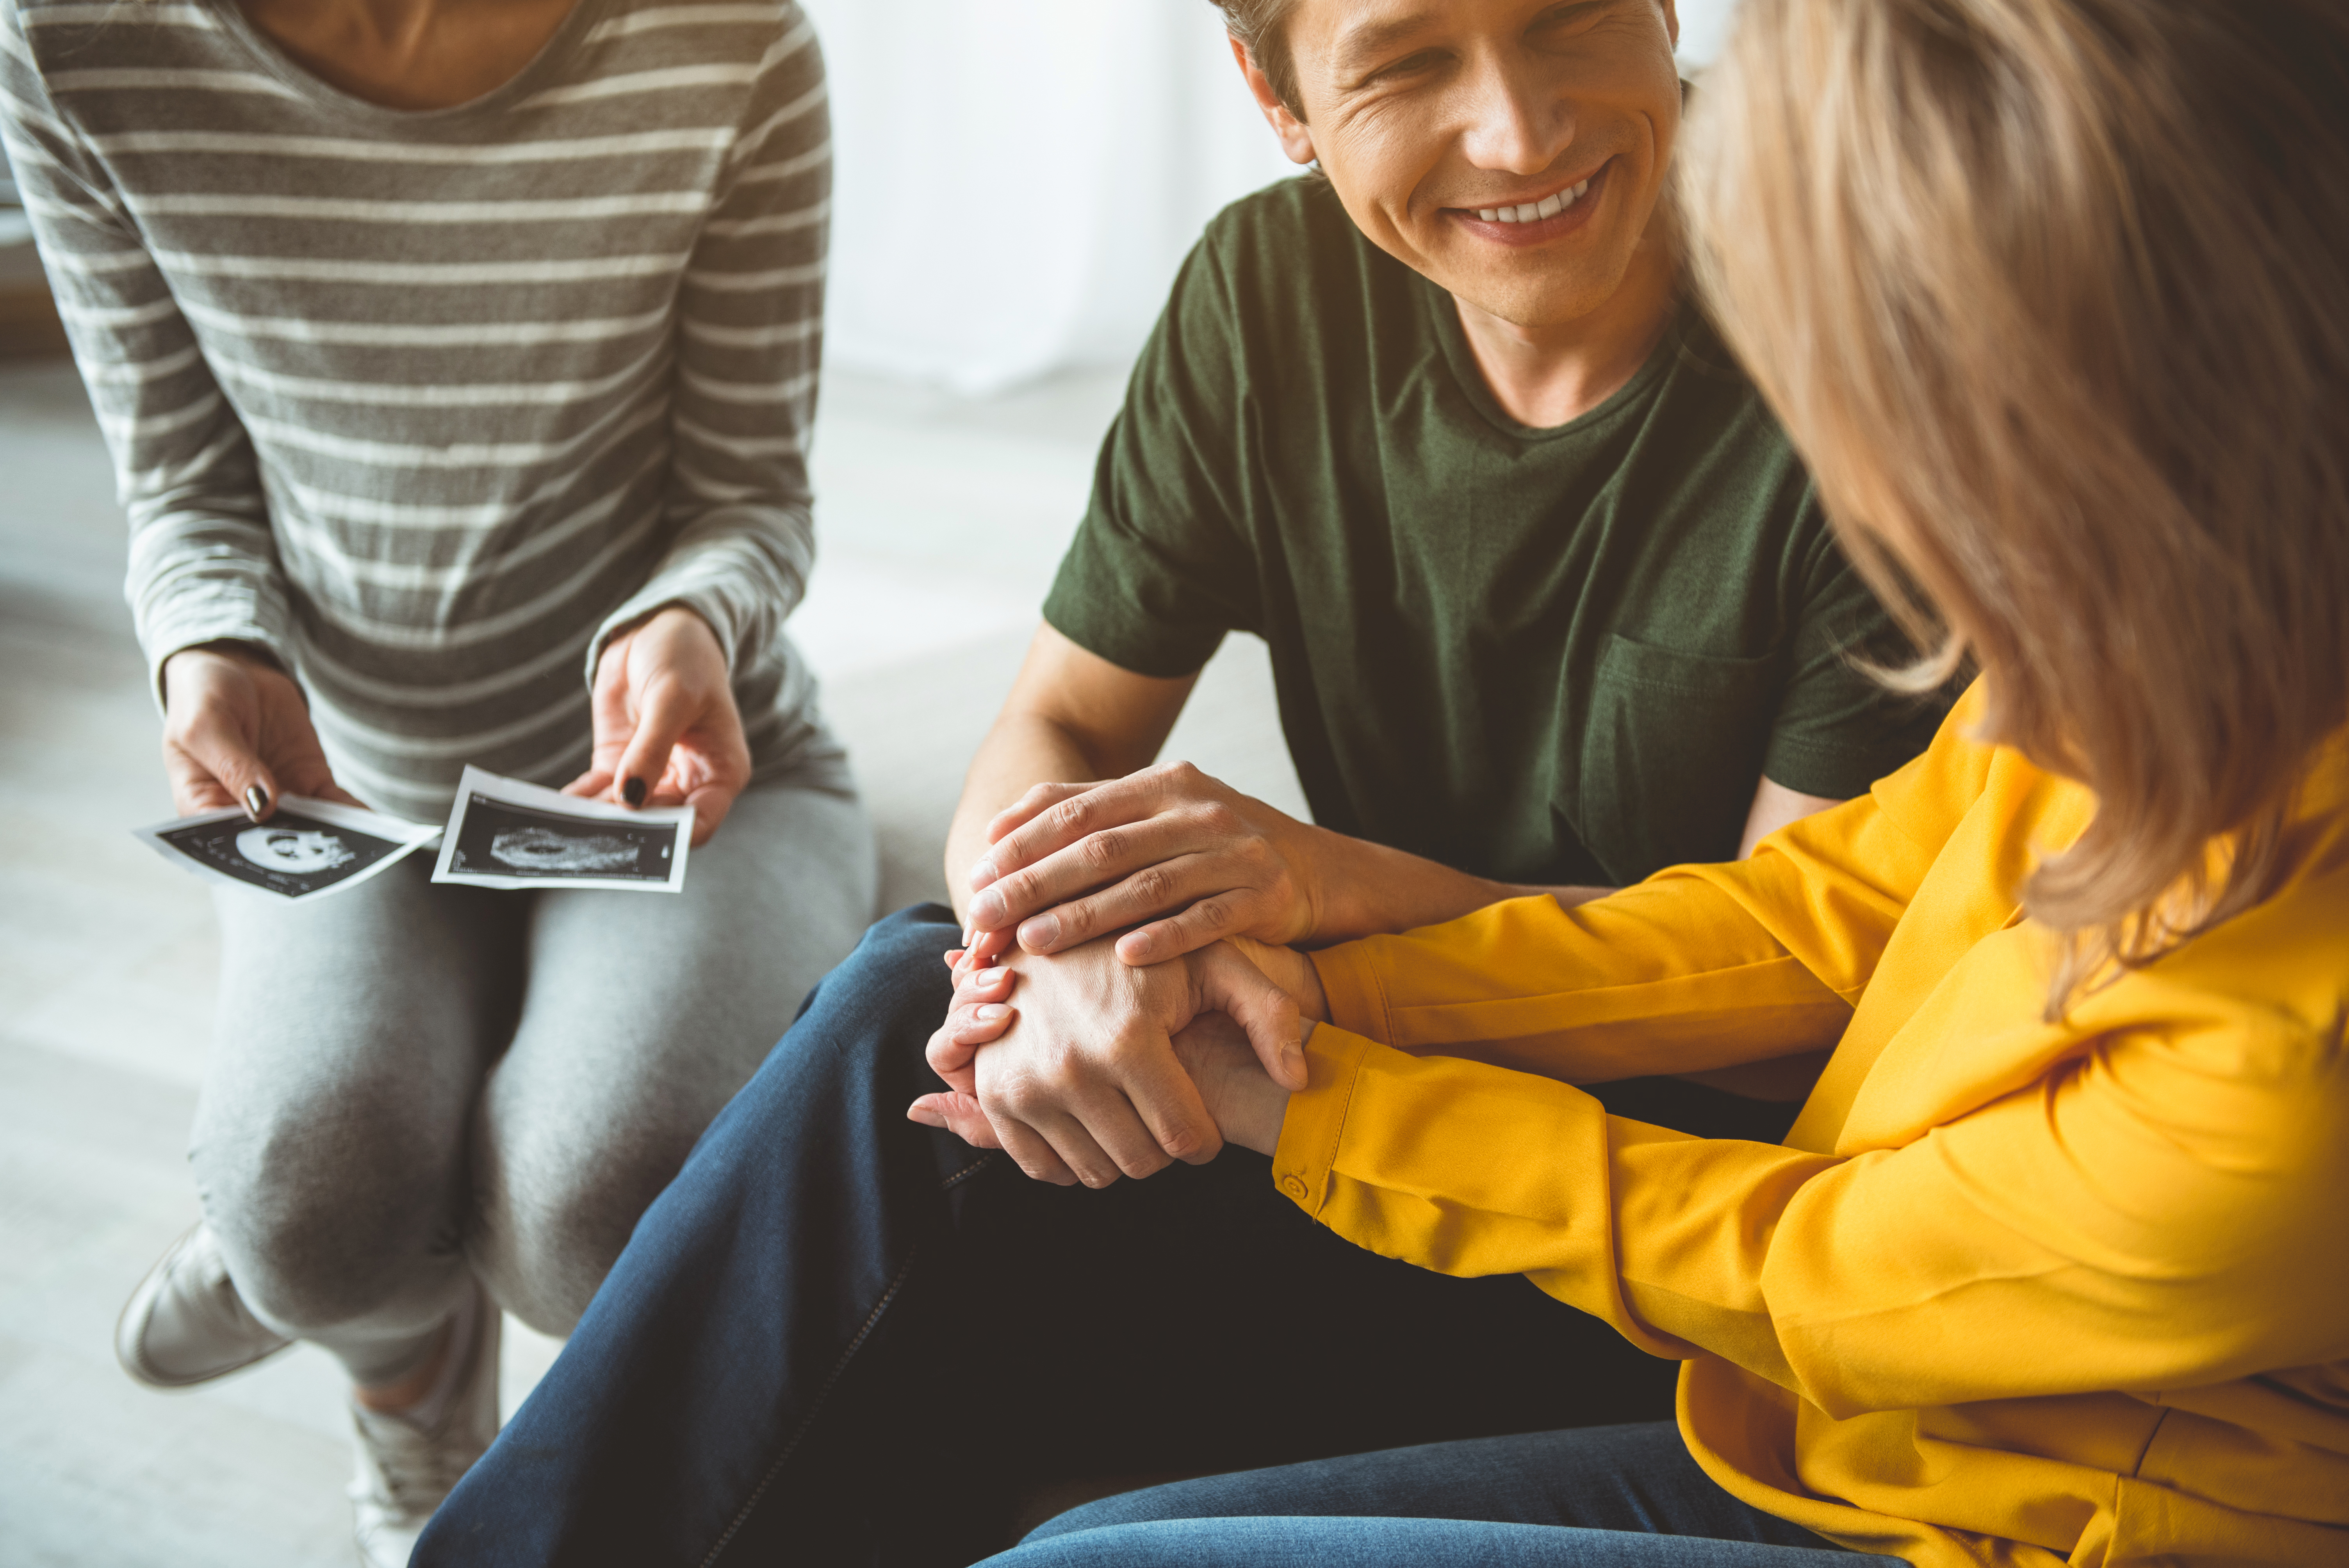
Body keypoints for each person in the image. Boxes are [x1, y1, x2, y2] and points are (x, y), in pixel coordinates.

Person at [417, 1, 1956, 1563]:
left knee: (906, 1163)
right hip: (1345, 1083)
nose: (1517, 129)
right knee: (940, 1065)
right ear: (1278, 97)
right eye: (1409, 64)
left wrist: (1316, 896)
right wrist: (1060, 939)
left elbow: (1796, 1017)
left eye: (1566, 19)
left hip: (1659, 1229)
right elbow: (1064, 726)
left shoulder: (1870, 327)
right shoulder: (1269, 287)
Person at [908, 0, 2349, 1561]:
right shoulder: (2133, 645)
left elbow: (1797, 1263)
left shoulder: (2289, 1069)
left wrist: (1296, 1075)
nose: (1520, 137)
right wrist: (1277, 977)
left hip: (1976, 1503)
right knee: (893, 1014)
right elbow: (1817, 912)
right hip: (1811, 1430)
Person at [0, 0, 874, 1559]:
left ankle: (369, 1250)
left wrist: (690, 617)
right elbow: (181, 480)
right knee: (306, 1197)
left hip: (680, 794)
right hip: (357, 799)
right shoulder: (78, 41)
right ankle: (404, 1368)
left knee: (594, 1207)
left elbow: (745, 494)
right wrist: (207, 643)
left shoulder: (725, 39)